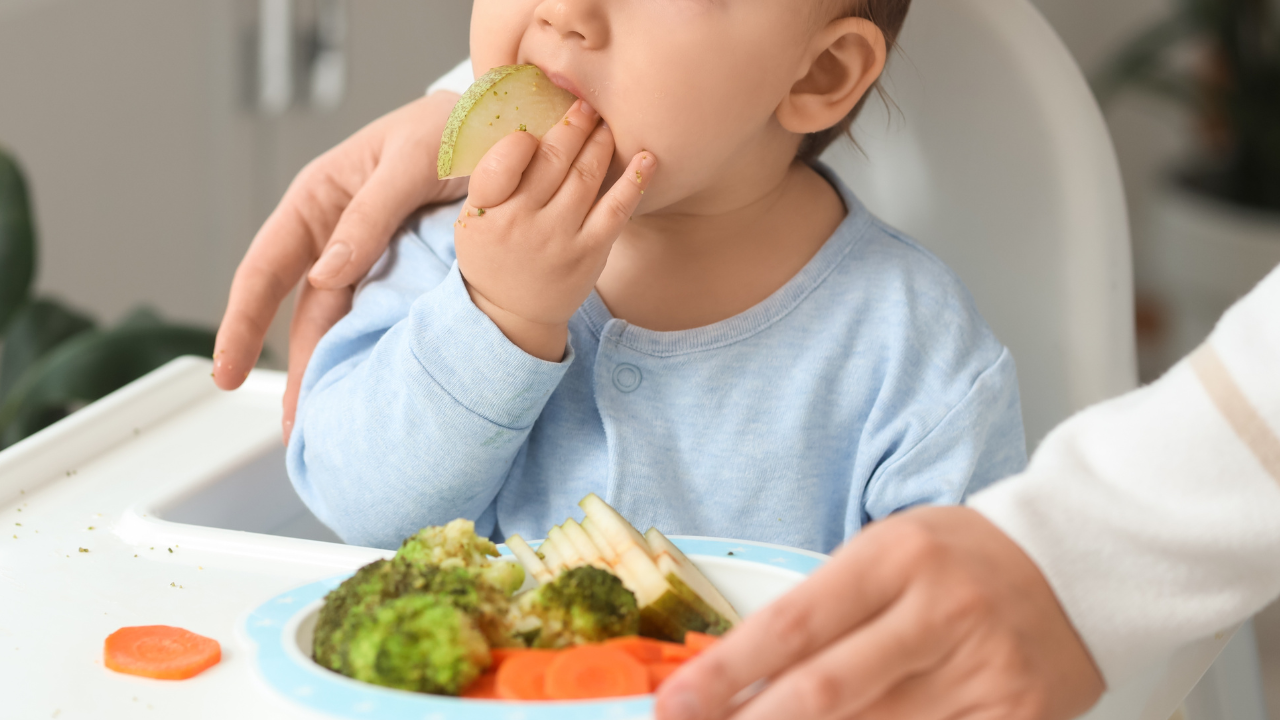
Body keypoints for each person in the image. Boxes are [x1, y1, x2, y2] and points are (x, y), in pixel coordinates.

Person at [270, 0, 1029, 552]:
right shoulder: (450, 249)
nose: (566, 13)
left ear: (819, 72)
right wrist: (495, 317)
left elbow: (962, 632)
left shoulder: (914, 347)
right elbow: (359, 507)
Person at [653, 265, 1280, 720]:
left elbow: (952, 669)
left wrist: (1069, 566)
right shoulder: (556, 294)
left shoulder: (912, 337)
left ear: (821, 76)